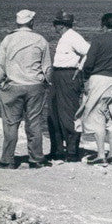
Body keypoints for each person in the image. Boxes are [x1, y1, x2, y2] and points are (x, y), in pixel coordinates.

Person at [0, 9, 52, 169]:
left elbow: (1, 65)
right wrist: (47, 83)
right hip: (35, 86)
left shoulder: (8, 40)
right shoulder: (40, 40)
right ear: (31, 22)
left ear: (17, 23)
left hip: (13, 86)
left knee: (11, 124)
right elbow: (47, 68)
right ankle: (36, 159)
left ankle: (7, 160)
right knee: (34, 123)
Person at [77, 12, 112, 166]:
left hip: (100, 79)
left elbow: (88, 64)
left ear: (103, 25)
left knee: (97, 115)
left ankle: (101, 155)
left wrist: (86, 78)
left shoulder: (98, 39)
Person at [47, 10, 90, 162]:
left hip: (68, 75)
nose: (54, 26)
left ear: (61, 25)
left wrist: (79, 69)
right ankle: (57, 150)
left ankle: (72, 151)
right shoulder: (66, 37)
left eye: (56, 23)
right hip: (58, 74)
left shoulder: (73, 37)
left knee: (68, 113)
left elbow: (89, 52)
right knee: (53, 113)